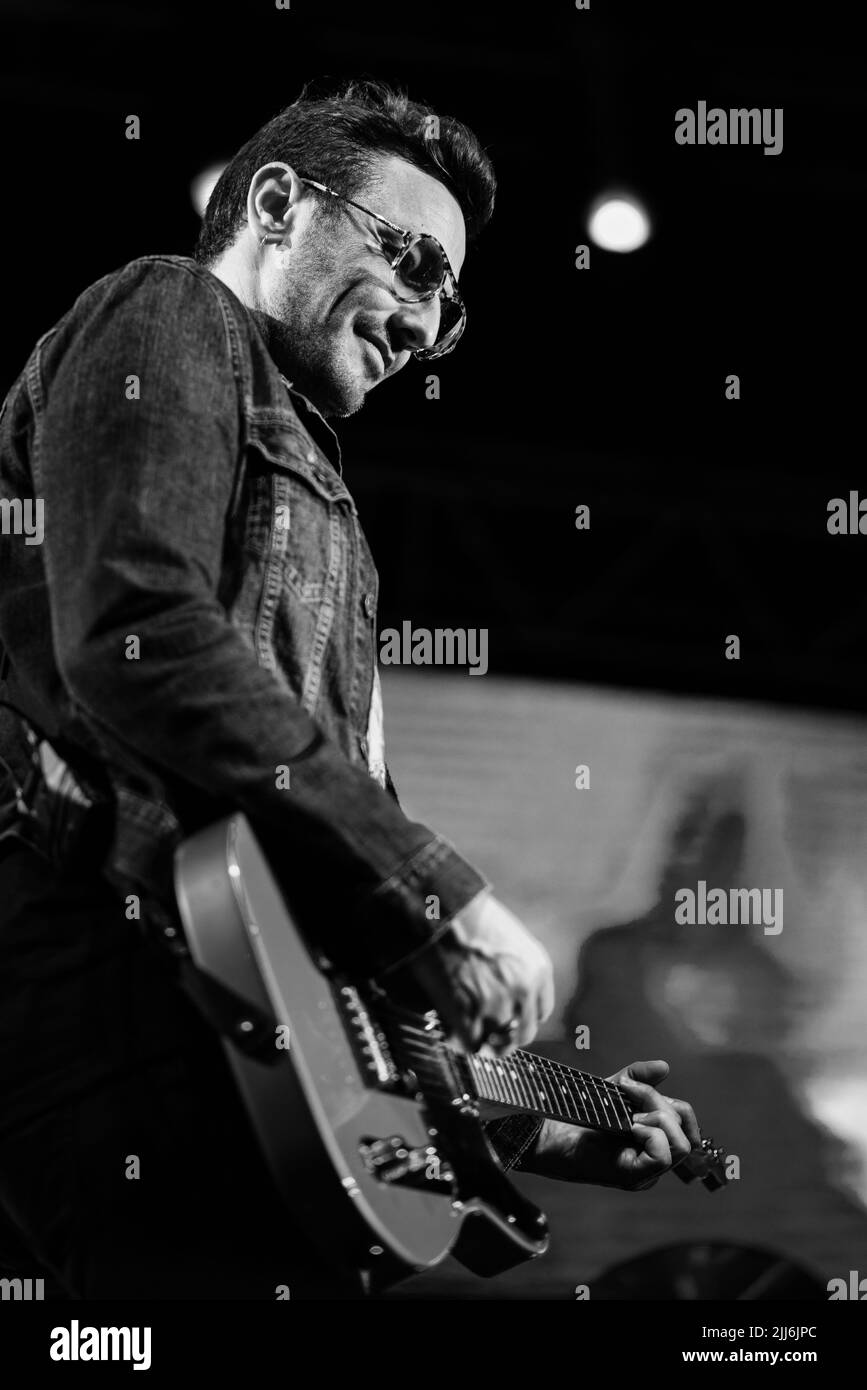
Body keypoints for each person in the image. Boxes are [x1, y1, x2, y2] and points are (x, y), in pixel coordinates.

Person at [0, 78, 699, 1300]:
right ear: (277, 201)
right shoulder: (171, 310)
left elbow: (333, 980)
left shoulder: (336, 530)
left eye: (452, 299)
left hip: (215, 1038)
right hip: (120, 990)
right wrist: (443, 900)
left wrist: (546, 1121)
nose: (429, 324)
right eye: (415, 261)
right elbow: (136, 628)